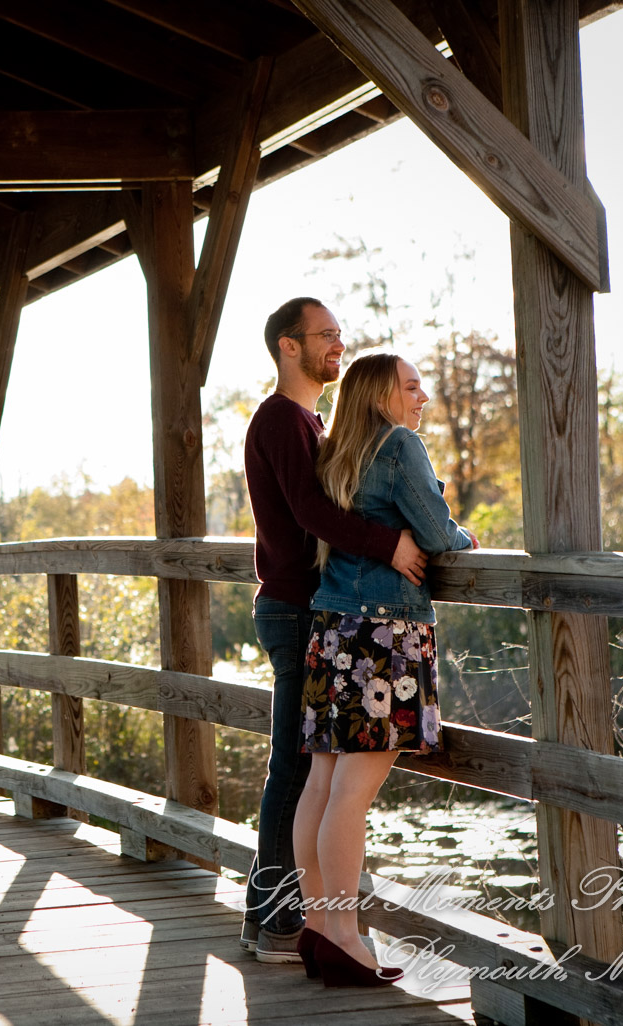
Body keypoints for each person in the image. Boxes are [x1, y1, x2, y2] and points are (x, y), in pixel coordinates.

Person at [241, 297, 428, 965]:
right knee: (293, 770)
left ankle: (276, 918)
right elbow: (311, 511)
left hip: (310, 607)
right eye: (323, 337)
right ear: (287, 347)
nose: (336, 347)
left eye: (338, 336)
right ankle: (280, 923)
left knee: (305, 768)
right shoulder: (281, 419)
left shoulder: (309, 421)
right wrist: (389, 544)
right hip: (296, 609)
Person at [292, 351, 477, 987]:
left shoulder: (337, 450)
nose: (421, 397)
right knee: (352, 795)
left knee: (322, 786)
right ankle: (344, 936)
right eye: (411, 386)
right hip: (383, 636)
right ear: (380, 396)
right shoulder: (399, 444)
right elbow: (435, 531)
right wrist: (463, 539)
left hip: (333, 630)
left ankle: (320, 930)